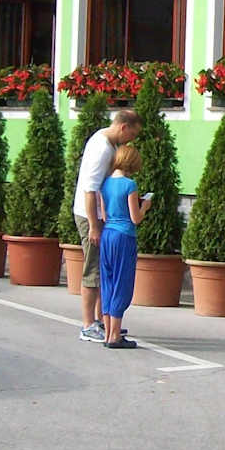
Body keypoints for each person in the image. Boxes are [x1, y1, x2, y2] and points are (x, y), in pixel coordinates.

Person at [71, 108, 141, 343]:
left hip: (102, 218)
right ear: (123, 127)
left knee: (103, 271)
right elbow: (90, 189)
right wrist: (93, 225)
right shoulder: (102, 148)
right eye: (132, 134)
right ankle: (88, 325)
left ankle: (104, 322)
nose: (131, 140)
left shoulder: (106, 141)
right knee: (93, 270)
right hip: (90, 215)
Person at [97, 143, 151, 349]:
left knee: (108, 281)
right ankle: (115, 336)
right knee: (122, 282)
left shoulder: (105, 184)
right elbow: (135, 218)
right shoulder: (130, 185)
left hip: (107, 235)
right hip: (124, 236)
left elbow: (105, 215)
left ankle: (107, 333)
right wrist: (144, 206)